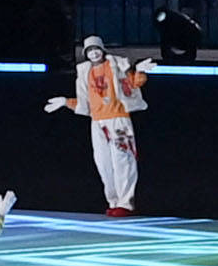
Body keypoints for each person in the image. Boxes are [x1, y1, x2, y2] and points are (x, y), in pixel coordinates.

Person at [41, 39, 150, 213]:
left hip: (118, 118)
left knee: (123, 160)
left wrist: (139, 71)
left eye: (96, 49)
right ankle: (113, 201)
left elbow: (133, 84)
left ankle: (125, 202)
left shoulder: (116, 65)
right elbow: (85, 104)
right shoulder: (85, 72)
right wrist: (65, 102)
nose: (94, 53)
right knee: (103, 162)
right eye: (90, 50)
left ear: (102, 50)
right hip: (97, 121)